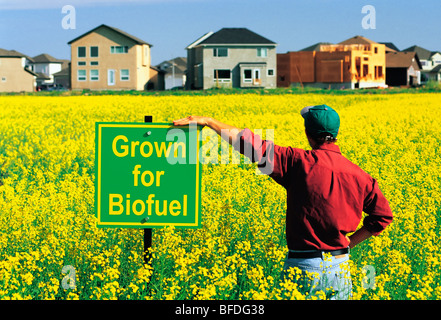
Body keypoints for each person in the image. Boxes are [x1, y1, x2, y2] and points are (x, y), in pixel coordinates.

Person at [173, 105, 393, 299]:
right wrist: (349, 243)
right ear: (336, 134)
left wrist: (208, 122)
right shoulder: (361, 176)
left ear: (308, 134)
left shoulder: (298, 162)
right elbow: (382, 217)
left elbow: (248, 144)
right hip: (340, 268)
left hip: (304, 269)